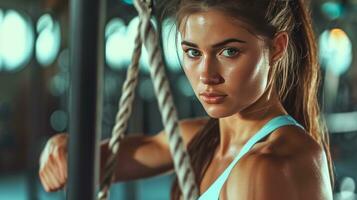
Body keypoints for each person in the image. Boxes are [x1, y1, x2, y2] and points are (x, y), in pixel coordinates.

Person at [39, 0, 335, 199]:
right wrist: (59, 148)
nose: (206, 75)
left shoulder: (267, 165)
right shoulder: (199, 140)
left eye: (229, 51)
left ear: (277, 48)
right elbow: (97, 161)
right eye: (193, 52)